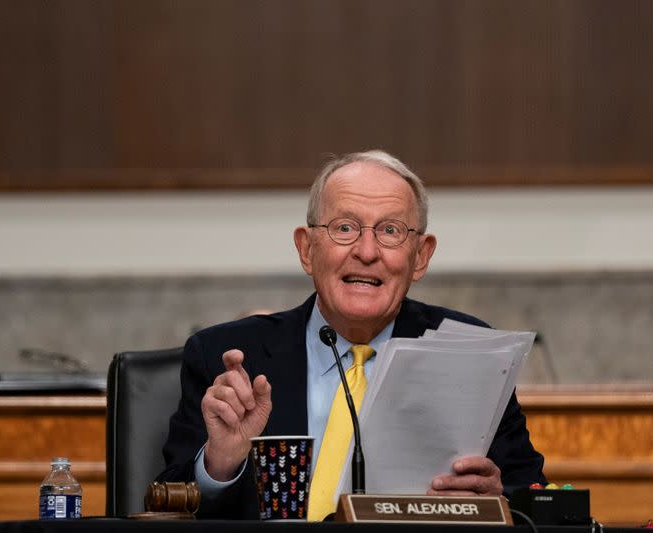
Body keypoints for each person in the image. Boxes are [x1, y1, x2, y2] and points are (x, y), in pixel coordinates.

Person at [157, 150, 546, 519]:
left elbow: (534, 498)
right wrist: (220, 464)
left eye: (390, 231)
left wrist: (497, 501)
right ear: (306, 249)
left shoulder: (470, 354)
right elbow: (164, 507)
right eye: (345, 228)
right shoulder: (226, 356)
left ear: (421, 256)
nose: (366, 251)